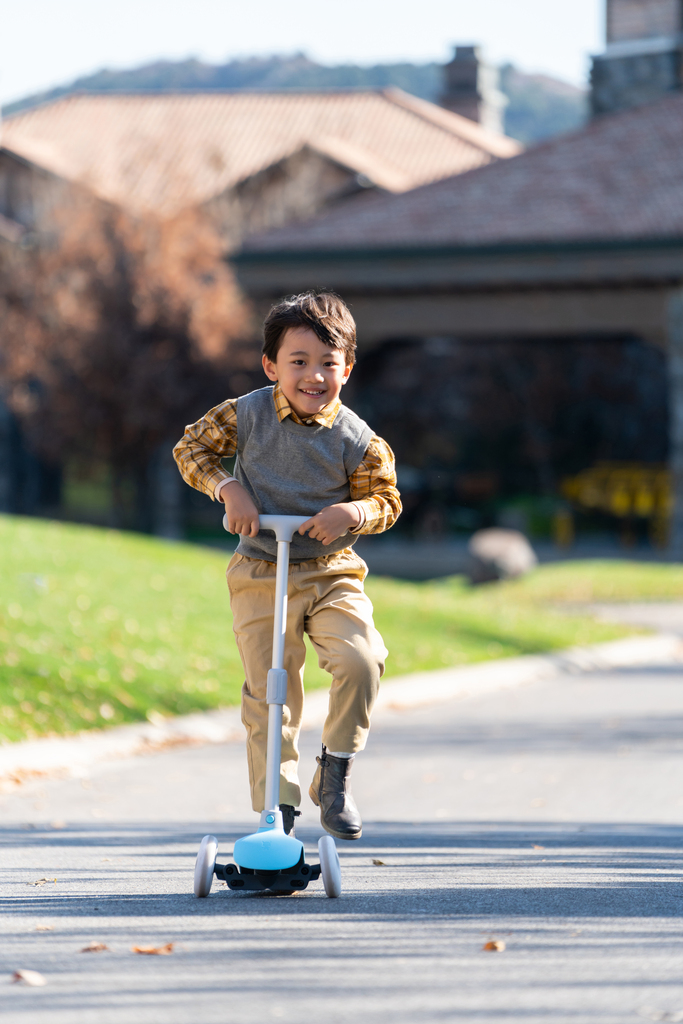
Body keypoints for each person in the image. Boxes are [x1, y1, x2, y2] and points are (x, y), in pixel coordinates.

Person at [173, 291, 401, 840]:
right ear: (272, 366)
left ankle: (335, 773)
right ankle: (279, 811)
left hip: (330, 571)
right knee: (271, 690)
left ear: (347, 368)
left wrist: (354, 511)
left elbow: (387, 501)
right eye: (298, 362)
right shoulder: (245, 413)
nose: (313, 376)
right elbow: (192, 449)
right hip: (259, 568)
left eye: (328, 363)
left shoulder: (359, 440)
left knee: (362, 660)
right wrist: (228, 488)